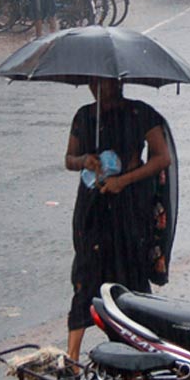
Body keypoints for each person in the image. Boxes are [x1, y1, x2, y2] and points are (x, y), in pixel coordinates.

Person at [63, 78, 172, 362]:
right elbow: (69, 159)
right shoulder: (84, 116)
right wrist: (85, 159)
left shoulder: (141, 114)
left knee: (131, 277)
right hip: (92, 210)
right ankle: (72, 358)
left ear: (118, 82)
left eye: (103, 81)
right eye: (92, 81)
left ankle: (141, 351)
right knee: (86, 274)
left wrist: (123, 181)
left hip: (129, 210)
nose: (96, 86)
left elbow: (162, 158)